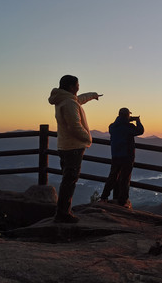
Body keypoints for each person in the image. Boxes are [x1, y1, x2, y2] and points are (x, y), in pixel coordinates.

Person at [48, 75, 102, 223]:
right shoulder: (69, 103)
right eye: (77, 85)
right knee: (69, 181)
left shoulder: (64, 100)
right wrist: (88, 138)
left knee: (67, 179)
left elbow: (80, 99)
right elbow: (74, 125)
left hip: (64, 145)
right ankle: (63, 214)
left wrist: (93, 95)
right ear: (72, 87)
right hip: (73, 146)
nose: (79, 87)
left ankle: (63, 211)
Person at [100, 107, 144, 208]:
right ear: (127, 115)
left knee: (112, 176)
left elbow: (118, 126)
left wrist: (126, 119)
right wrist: (138, 121)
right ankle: (123, 201)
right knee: (124, 179)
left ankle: (104, 197)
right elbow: (140, 131)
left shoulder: (112, 126)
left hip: (115, 155)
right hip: (127, 156)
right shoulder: (129, 127)